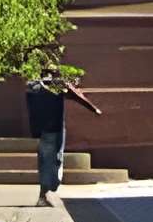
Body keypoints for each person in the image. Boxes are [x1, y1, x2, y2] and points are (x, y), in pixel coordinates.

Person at [24, 65, 102, 205]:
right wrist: (93, 108)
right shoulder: (56, 84)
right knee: (54, 159)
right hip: (54, 127)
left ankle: (44, 193)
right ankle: (47, 192)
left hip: (42, 129)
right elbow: (77, 96)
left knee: (46, 159)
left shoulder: (32, 85)